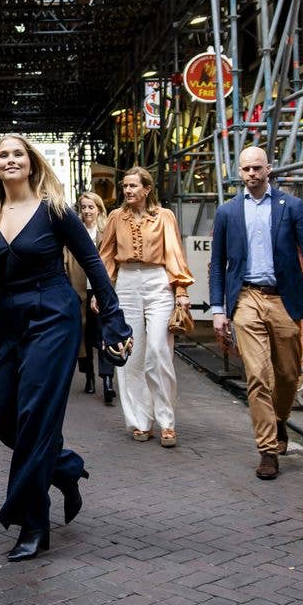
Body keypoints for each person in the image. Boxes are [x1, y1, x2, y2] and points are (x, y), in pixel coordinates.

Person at [0, 135, 132, 562]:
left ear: (31, 163)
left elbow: (93, 262)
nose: (10, 160)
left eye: (17, 154)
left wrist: (113, 319)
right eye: (2, 155)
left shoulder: (54, 208)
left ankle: (33, 523)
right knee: (6, 418)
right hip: (8, 321)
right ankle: (65, 468)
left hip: (53, 317)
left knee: (35, 418)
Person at [209, 146, 303, 480]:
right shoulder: (228, 212)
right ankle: (267, 450)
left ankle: (278, 421)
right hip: (246, 299)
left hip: (285, 300)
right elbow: (217, 265)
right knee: (258, 376)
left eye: (257, 168)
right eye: (246, 169)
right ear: (240, 172)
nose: (252, 174)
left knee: (288, 375)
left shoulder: (291, 207)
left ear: (269, 169)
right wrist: (219, 310)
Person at [98, 166, 193, 448]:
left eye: (133, 186)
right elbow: (105, 257)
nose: (127, 190)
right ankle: (140, 421)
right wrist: (102, 294)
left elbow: (174, 252)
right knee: (131, 355)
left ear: (147, 189)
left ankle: (167, 422)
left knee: (158, 352)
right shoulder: (116, 217)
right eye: (125, 186)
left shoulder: (164, 217)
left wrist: (181, 290)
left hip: (158, 281)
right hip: (126, 283)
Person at [65, 191, 115, 405]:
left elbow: (113, 261)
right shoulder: (74, 232)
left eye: (91, 207)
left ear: (99, 209)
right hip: (79, 290)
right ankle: (89, 376)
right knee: (83, 336)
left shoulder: (106, 232)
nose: (87, 211)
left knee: (105, 334)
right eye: (83, 207)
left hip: (101, 290)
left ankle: (107, 381)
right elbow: (65, 260)